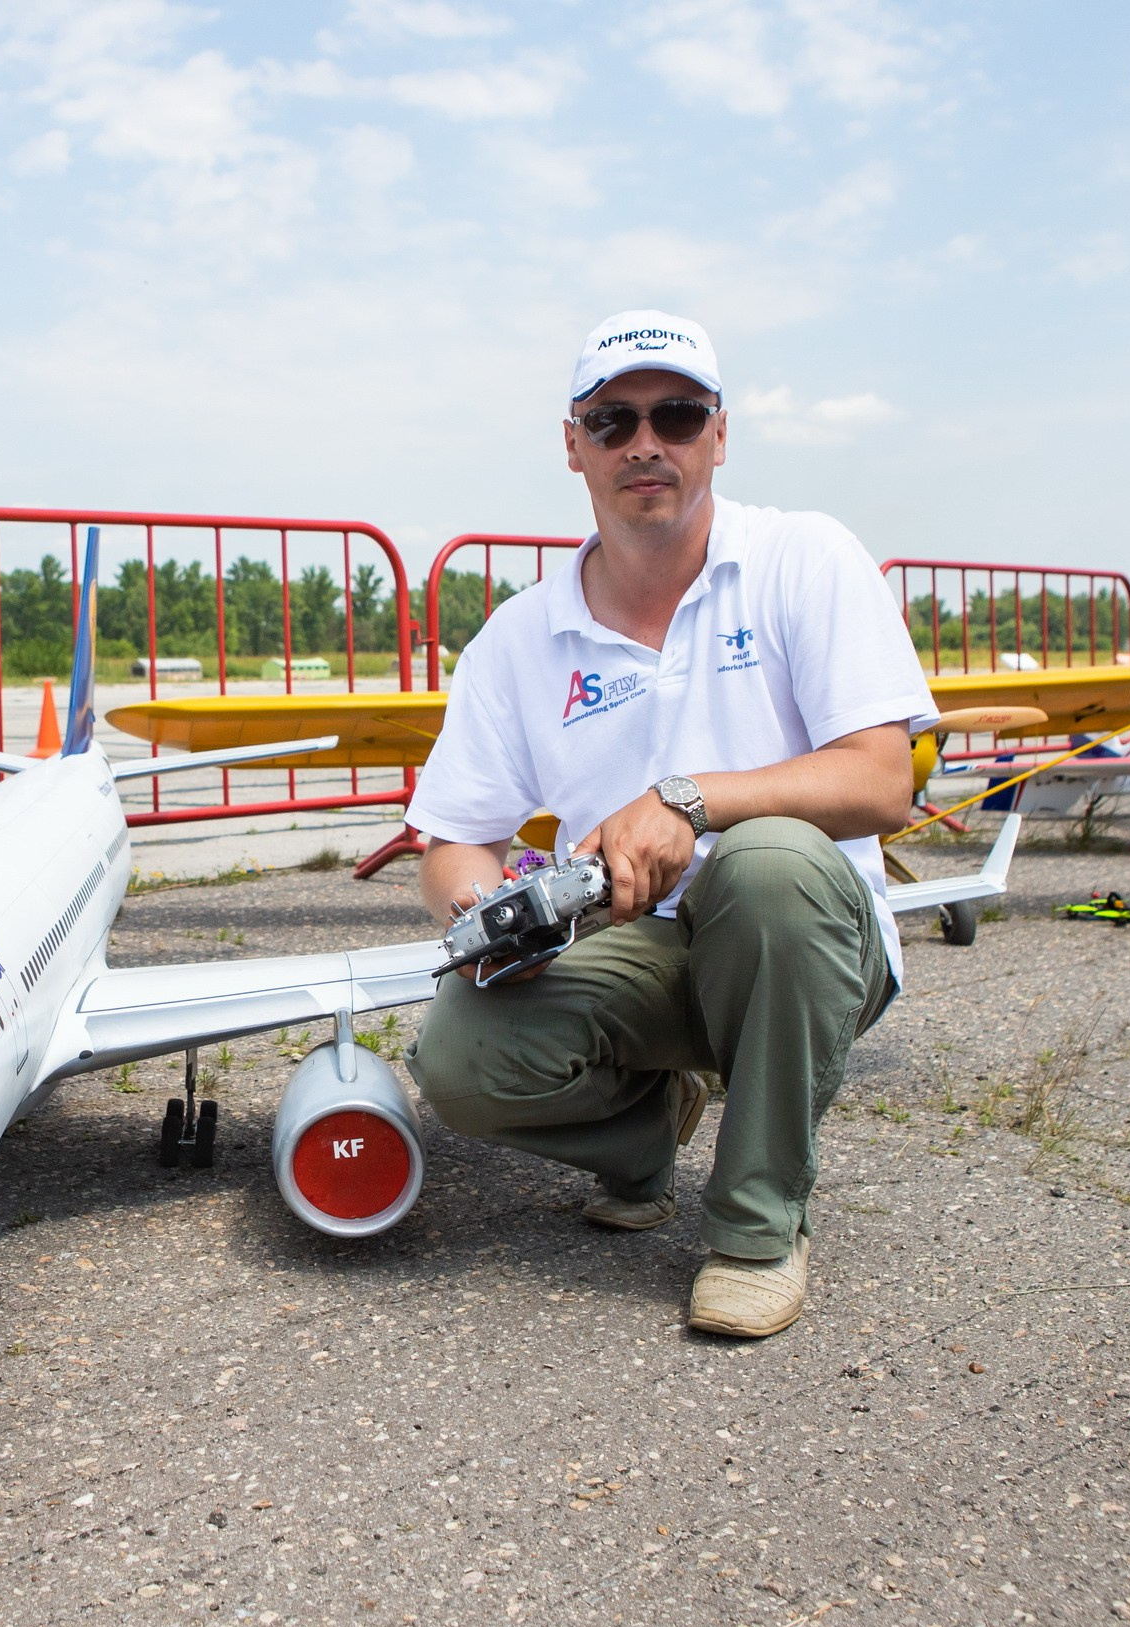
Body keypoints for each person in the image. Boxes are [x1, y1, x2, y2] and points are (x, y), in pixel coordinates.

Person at [401, 309, 937, 1339]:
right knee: (459, 1052)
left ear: (719, 434)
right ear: (574, 444)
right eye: (613, 420)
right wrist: (483, 910)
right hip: (636, 950)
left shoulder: (805, 558)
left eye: (677, 414)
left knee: (770, 863)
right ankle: (645, 1132)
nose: (646, 442)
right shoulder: (519, 639)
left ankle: (756, 1228)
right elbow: (453, 837)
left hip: (803, 945)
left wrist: (690, 800)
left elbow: (881, 781)